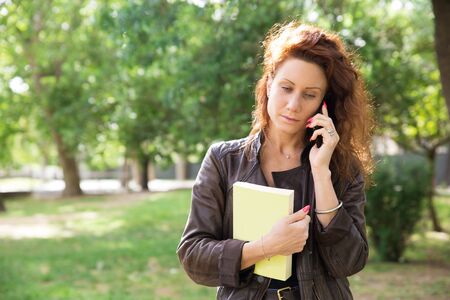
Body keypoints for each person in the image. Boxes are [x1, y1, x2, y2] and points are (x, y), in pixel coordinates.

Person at [177, 21, 374, 300]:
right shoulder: (223, 161)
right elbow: (194, 257)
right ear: (269, 84)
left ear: (323, 103)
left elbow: (349, 262)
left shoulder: (341, 167)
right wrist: (265, 247)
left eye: (309, 94)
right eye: (286, 88)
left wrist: (321, 172)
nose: (294, 104)